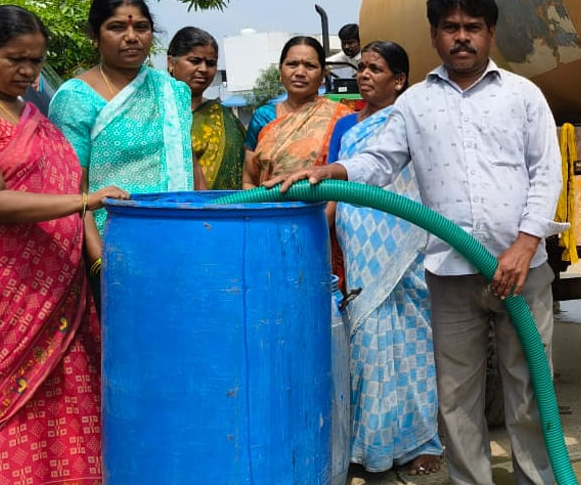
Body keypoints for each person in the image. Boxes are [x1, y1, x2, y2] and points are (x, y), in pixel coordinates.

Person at [274, 0, 565, 485]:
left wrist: (524, 245)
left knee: (529, 394)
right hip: (451, 275)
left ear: (491, 32)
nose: (462, 38)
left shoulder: (522, 96)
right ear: (434, 36)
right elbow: (379, 162)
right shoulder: (414, 105)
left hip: (522, 270)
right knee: (455, 399)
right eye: (450, 27)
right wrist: (330, 173)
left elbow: (546, 173)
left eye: (472, 27)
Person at [0, 5, 129, 485]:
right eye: (14, 59)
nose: (27, 71)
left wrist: (99, 258)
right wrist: (85, 199)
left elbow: (72, 192)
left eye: (36, 61)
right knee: (13, 400)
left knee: (73, 397)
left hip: (64, 286)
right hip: (6, 286)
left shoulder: (33, 117)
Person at [325, 41, 443, 477]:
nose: (365, 75)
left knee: (414, 339)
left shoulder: (411, 119)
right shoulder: (345, 126)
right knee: (366, 340)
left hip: (405, 242)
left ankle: (420, 441)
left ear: (399, 79)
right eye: (362, 68)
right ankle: (369, 443)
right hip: (360, 244)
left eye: (376, 69)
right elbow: (338, 180)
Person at [50, 0, 195, 231]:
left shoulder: (172, 91)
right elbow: (72, 189)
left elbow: (189, 164)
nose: (131, 37)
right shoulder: (76, 98)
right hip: (110, 237)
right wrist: (97, 258)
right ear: (95, 36)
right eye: (117, 27)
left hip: (181, 231)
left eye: (141, 27)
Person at [244, 35, 354, 283]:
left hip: (320, 230)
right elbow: (249, 179)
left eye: (310, 66)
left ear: (323, 73)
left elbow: (345, 184)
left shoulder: (341, 117)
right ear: (280, 70)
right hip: (267, 229)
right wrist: (258, 222)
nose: (300, 72)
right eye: (292, 64)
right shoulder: (263, 117)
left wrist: (317, 225)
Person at [167, 26, 246, 190]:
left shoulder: (225, 118)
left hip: (222, 211)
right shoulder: (154, 112)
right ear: (171, 63)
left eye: (211, 63)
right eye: (194, 61)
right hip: (165, 209)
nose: (203, 69)